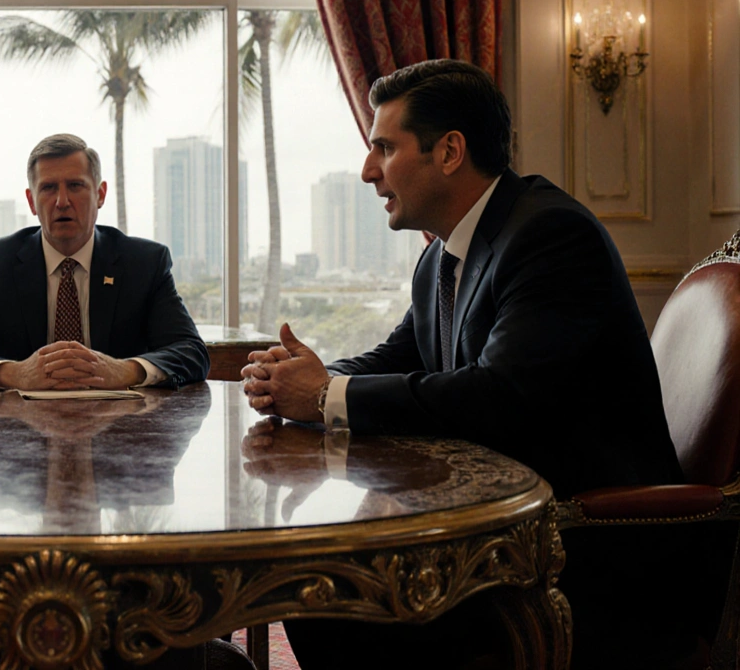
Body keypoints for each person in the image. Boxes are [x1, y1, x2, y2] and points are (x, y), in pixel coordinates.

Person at [239, 59, 694, 669]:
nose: (368, 171)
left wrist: (324, 398)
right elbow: (397, 358)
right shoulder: (442, 257)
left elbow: (499, 396)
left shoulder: (550, 235)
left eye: (384, 148)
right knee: (320, 592)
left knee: (329, 599)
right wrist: (299, 379)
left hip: (578, 547)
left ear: (449, 150)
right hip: (494, 529)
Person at [0, 133, 208, 390]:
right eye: (48, 188)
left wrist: (125, 371)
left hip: (120, 430)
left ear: (100, 194)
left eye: (75, 186)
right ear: (31, 201)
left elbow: (191, 352)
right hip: (19, 433)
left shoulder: (144, 263)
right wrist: (15, 374)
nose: (62, 201)